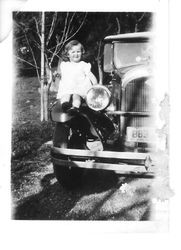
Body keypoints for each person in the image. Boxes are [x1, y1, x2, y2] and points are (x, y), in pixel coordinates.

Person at [56, 40, 97, 113]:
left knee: (76, 97)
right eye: (73, 52)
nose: (76, 54)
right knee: (65, 96)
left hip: (79, 88)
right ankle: (65, 105)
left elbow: (91, 76)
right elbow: (62, 75)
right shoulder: (65, 65)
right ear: (68, 54)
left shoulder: (83, 65)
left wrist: (96, 85)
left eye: (78, 51)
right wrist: (56, 76)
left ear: (82, 53)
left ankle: (75, 108)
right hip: (68, 87)